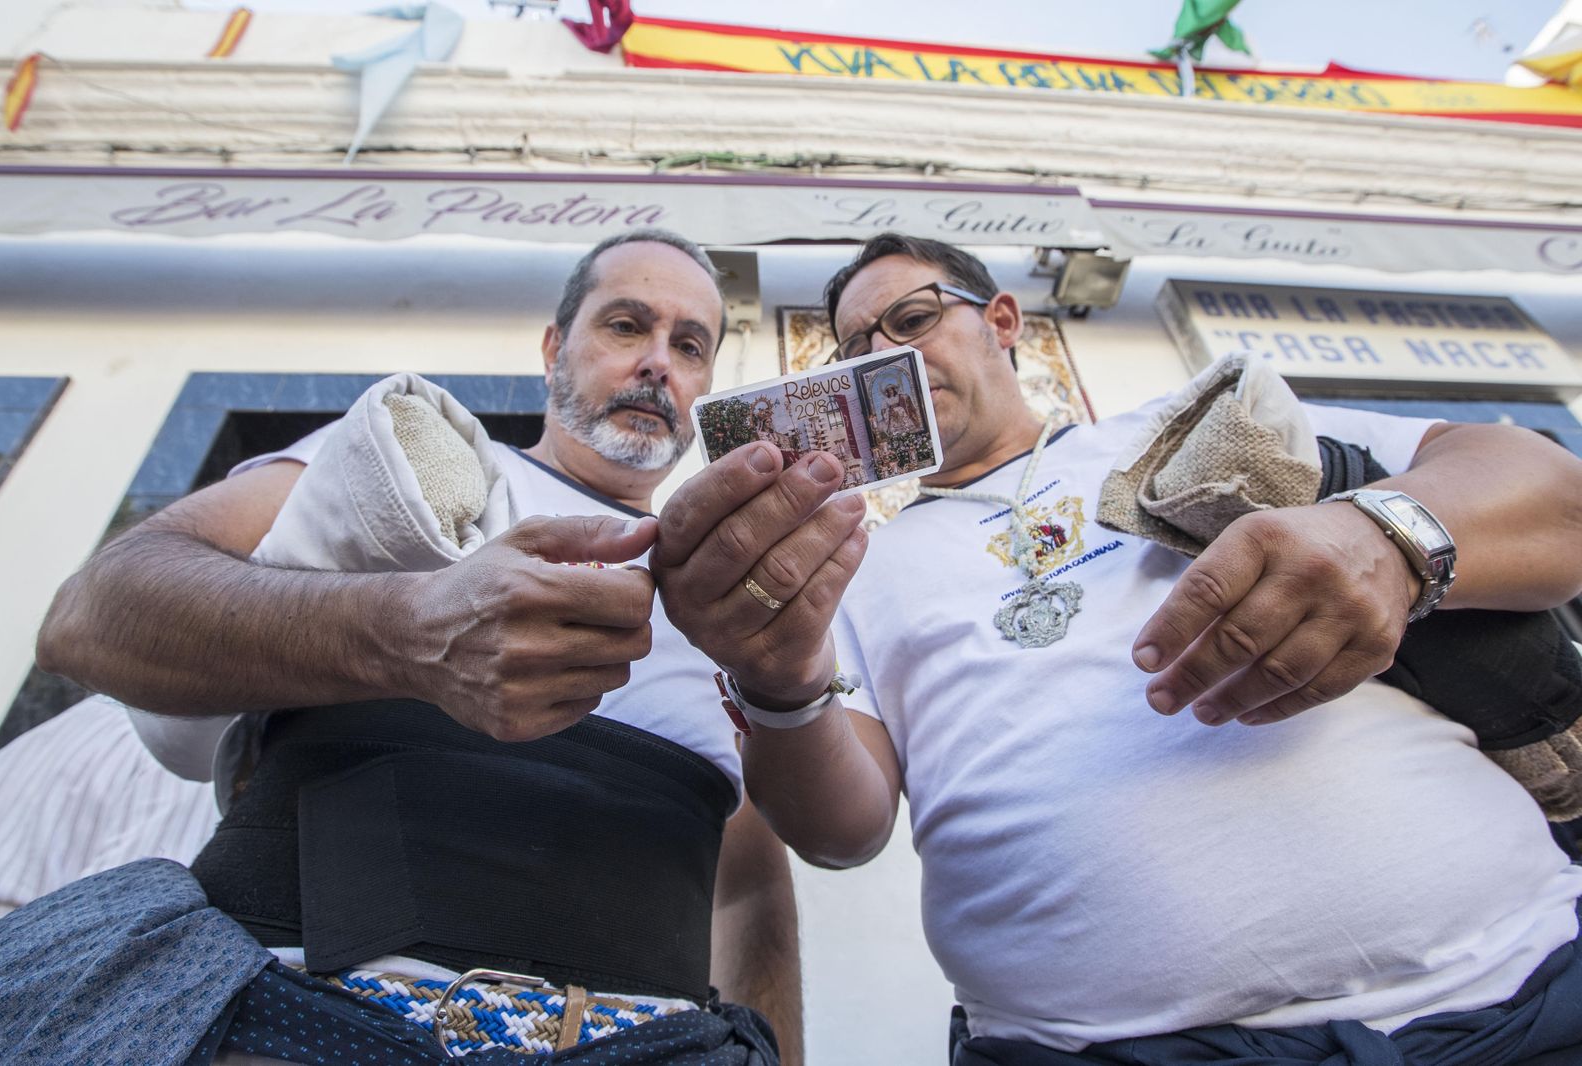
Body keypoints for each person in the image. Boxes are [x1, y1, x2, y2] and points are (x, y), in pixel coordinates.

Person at [650, 233, 1582, 1064]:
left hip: (1510, 995)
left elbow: (1555, 501)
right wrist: (779, 679)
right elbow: (840, 833)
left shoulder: (1205, 421)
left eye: (914, 317)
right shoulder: (850, 561)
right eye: (856, 349)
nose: (886, 355)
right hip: (1088, 1047)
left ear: (1002, 320)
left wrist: (1384, 538)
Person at [0, 230, 797, 1066]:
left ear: (706, 381)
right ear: (556, 347)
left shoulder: (728, 598)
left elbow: (747, 886)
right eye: (626, 326)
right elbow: (90, 614)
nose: (658, 362)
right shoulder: (421, 475)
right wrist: (407, 631)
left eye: (690, 344)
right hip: (299, 1025)